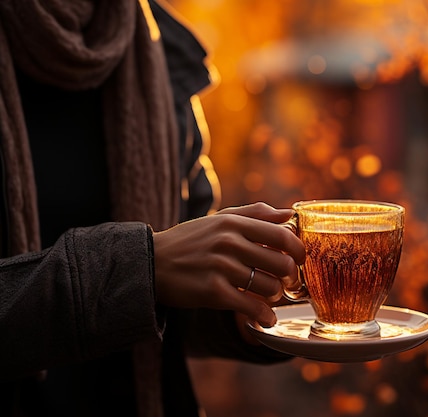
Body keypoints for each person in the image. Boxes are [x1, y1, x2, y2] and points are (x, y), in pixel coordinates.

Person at [0, 1, 304, 416]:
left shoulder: (159, 52)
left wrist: (251, 301)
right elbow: (152, 273)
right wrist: (137, 270)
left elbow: (170, 299)